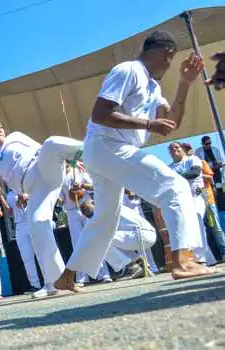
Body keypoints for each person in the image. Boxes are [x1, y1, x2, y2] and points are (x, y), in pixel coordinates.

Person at [54, 31, 211, 293]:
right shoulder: (129, 70)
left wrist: (184, 83)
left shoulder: (153, 87)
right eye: (169, 60)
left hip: (106, 151)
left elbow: (170, 122)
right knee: (175, 187)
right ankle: (183, 260)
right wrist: (149, 124)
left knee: (105, 217)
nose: (168, 65)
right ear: (164, 53)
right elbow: (101, 113)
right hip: (108, 145)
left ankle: (67, 275)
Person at [0, 115, 83, 297]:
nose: (0, 129)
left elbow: (42, 149)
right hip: (34, 189)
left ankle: (90, 151)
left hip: (42, 168)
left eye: (0, 125)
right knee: (38, 225)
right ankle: (55, 283)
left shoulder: (16, 136)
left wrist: (70, 161)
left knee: (51, 143)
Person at [60, 163, 112, 285]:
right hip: (71, 212)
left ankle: (103, 274)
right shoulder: (59, 177)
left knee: (94, 240)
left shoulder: (79, 170)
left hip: (86, 207)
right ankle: (82, 278)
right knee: (78, 245)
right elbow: (61, 199)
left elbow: (93, 186)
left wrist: (82, 186)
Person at [79, 200, 157, 277]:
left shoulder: (107, 210)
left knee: (99, 240)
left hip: (142, 235)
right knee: (108, 242)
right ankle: (140, 264)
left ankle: (132, 267)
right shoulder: (110, 206)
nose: (92, 217)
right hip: (144, 234)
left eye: (91, 215)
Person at [168, 142, 216, 265]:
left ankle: (200, 259)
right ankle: (209, 258)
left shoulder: (192, 159)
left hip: (198, 195)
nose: (175, 149)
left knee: (197, 220)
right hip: (183, 199)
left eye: (177, 147)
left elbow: (194, 173)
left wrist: (176, 178)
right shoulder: (169, 167)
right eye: (172, 148)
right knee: (192, 227)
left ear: (182, 149)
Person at [3, 190, 41, 291]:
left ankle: (50, 280)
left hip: (33, 220)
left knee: (41, 252)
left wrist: (26, 197)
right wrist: (0, 197)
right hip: (19, 224)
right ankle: (35, 284)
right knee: (27, 256)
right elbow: (10, 213)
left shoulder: (27, 186)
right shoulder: (9, 195)